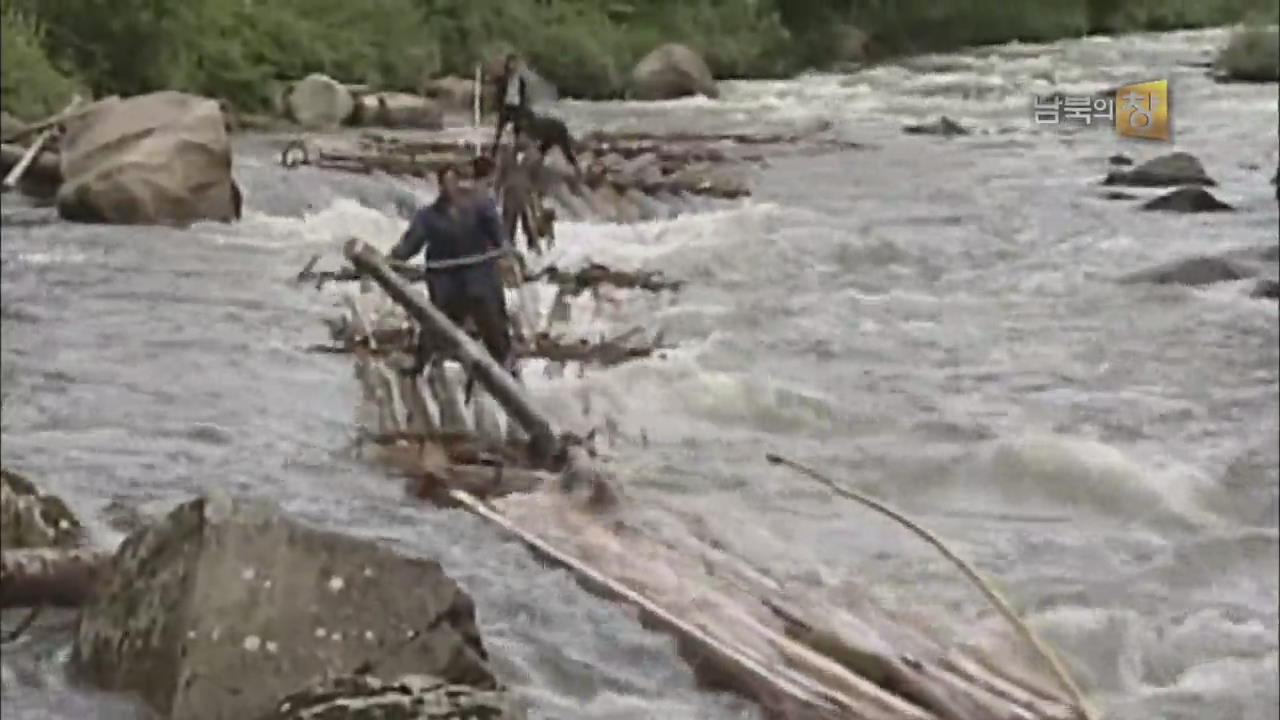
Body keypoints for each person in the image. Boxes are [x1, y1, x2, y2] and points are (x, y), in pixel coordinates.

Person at [389, 165, 515, 376]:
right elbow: (409, 245)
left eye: (452, 182)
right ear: (440, 186)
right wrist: (392, 261)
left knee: (493, 323)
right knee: (435, 323)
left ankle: (507, 366)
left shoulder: (480, 207)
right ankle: (420, 365)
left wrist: (506, 250)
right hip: (446, 280)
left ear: (458, 183)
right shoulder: (428, 216)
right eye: (444, 183)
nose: (449, 188)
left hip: (479, 276)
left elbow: (498, 235)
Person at [491, 53, 528, 153]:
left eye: (515, 64)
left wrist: (523, 108)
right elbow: (498, 92)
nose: (513, 66)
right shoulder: (503, 78)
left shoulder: (521, 80)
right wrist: (498, 107)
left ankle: (516, 151)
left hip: (516, 107)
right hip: (506, 106)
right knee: (499, 130)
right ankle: (494, 150)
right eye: (511, 64)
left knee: (517, 130)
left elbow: (523, 95)